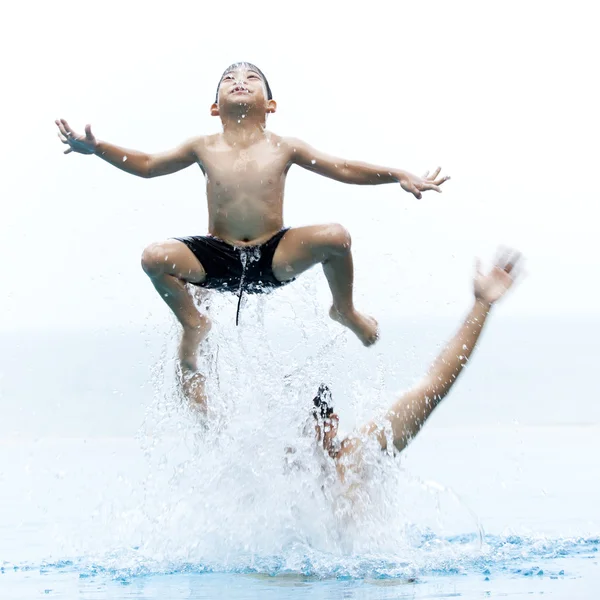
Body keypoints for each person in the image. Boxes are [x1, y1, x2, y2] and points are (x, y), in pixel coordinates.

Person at [55, 61, 449, 403]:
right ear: (214, 107)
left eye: (251, 77)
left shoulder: (284, 146)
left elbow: (343, 168)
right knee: (154, 258)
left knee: (336, 237)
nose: (239, 80)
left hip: (274, 253)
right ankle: (193, 321)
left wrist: (397, 173)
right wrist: (98, 147)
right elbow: (147, 165)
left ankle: (343, 309)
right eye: (229, 77)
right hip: (217, 254)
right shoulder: (202, 146)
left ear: (270, 105)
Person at [308, 247, 522, 483]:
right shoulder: (278, 482)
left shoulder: (355, 458)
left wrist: (481, 305)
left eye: (303, 430)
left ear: (329, 425)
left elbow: (432, 388)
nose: (293, 444)